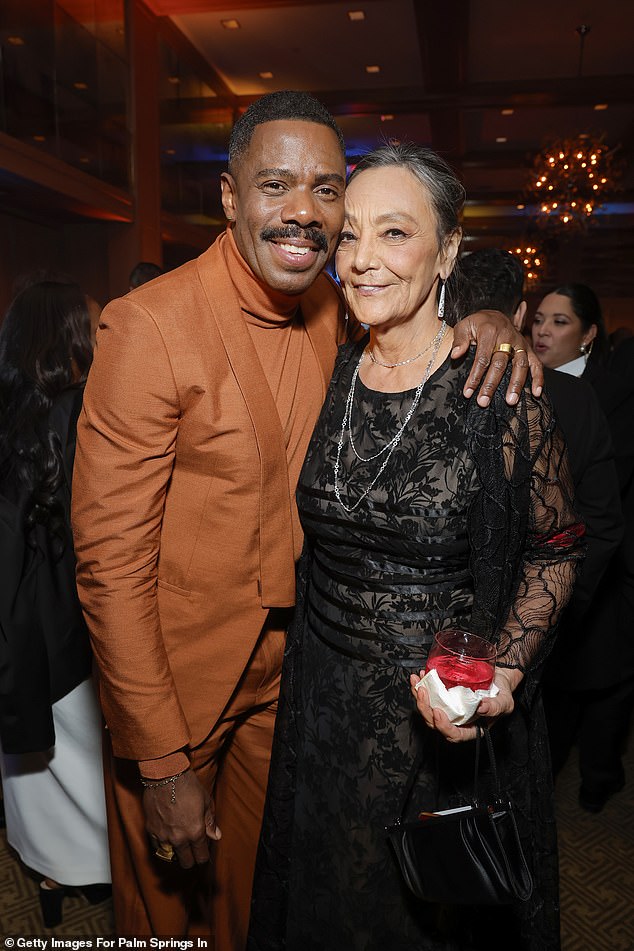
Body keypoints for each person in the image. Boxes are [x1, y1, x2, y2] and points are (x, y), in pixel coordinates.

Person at [71, 91, 539, 946]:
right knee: (170, 923)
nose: (305, 212)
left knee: (264, 911)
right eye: (276, 184)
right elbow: (108, 561)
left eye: (328, 190)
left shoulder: (335, 312)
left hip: (297, 693)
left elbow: (415, 317)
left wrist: (487, 319)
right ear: (228, 195)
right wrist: (162, 757)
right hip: (183, 695)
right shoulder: (149, 326)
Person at [248, 145, 582, 951]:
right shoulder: (330, 364)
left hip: (435, 728)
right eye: (350, 233)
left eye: (394, 233)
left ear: (449, 250)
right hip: (321, 706)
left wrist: (501, 669)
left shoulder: (501, 391)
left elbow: (557, 546)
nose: (361, 260)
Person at [0, 281, 111, 927]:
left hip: (17, 631)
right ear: (64, 336)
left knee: (32, 775)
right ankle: (93, 872)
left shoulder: (9, 409)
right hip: (67, 624)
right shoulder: (78, 411)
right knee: (86, 765)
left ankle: (47, 870)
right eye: (93, 329)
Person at [461, 250, 622, 621]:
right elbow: (603, 523)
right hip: (542, 619)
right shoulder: (576, 396)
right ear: (518, 315)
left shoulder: (418, 385)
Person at [532, 284, 634, 810]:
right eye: (540, 319)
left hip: (598, 558)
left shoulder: (610, 390)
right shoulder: (524, 380)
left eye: (561, 322)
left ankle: (600, 778)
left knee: (600, 682)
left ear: (589, 334)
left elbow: (600, 495)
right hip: (550, 564)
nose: (544, 331)